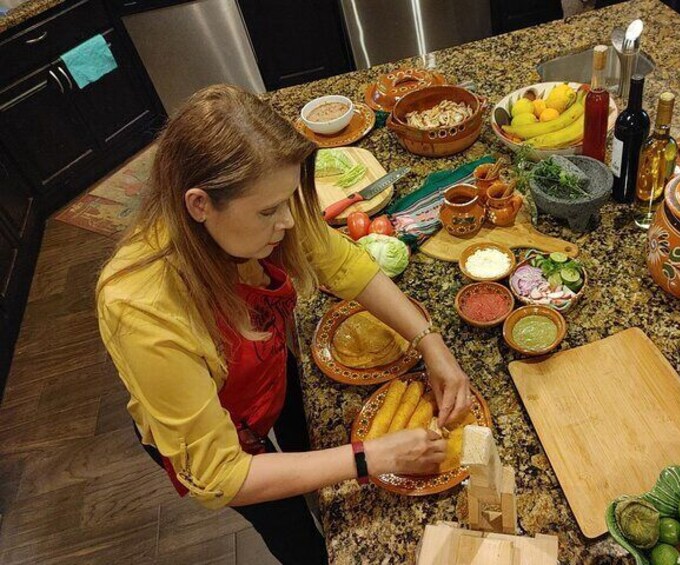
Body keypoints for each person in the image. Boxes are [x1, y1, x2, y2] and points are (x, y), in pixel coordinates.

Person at [96, 84, 472, 564]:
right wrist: (370, 458)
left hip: (267, 366)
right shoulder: (140, 308)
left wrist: (431, 345)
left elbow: (344, 266)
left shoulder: (264, 215)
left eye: (288, 201)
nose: (288, 223)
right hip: (213, 430)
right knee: (289, 525)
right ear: (199, 205)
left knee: (306, 444)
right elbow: (222, 476)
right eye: (269, 211)